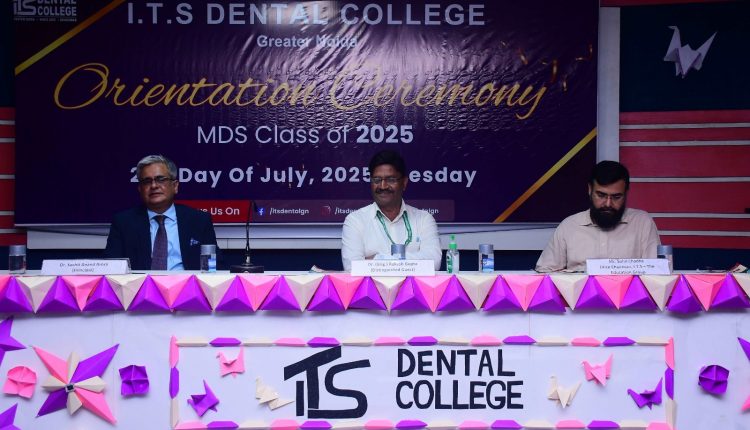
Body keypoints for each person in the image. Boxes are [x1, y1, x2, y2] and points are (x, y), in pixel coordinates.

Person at [535, 160, 660, 272]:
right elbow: (545, 272)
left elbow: (657, 274)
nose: (608, 204)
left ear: (626, 193)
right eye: (601, 195)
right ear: (590, 190)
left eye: (616, 197)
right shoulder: (569, 226)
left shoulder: (642, 223)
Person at [104, 155, 218, 270]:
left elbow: (216, 266)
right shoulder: (123, 223)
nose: (154, 186)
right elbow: (111, 267)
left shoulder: (199, 220)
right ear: (140, 189)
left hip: (187, 281)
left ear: (175, 186)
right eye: (147, 181)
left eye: (161, 179)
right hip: (141, 282)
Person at [341, 150, 442, 271]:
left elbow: (433, 262)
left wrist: (377, 259)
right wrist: (410, 262)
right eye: (377, 180)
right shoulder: (355, 220)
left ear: (404, 183)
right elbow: (352, 267)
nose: (383, 186)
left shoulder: (423, 219)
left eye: (390, 180)